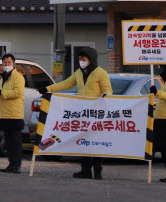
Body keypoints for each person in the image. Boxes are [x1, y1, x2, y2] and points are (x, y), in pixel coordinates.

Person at [40, 46, 112, 180]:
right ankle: (85, 171)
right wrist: (48, 88)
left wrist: (105, 97)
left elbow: (107, 90)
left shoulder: (101, 73)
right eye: (79, 59)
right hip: (82, 114)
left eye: (83, 59)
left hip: (96, 114)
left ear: (91, 59)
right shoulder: (79, 73)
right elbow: (66, 84)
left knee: (95, 143)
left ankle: (97, 171)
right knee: (84, 142)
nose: (81, 61)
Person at [0, 53, 25, 173]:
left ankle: (16, 165)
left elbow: (18, 93)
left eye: (9, 62)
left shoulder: (18, 77)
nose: (7, 65)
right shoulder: (3, 78)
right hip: (4, 114)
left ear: (13, 64)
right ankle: (11, 164)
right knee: (8, 142)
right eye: (4, 63)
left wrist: (2, 93)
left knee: (15, 142)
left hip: (14, 114)